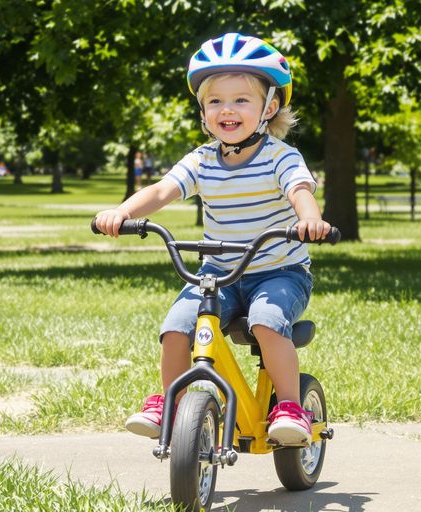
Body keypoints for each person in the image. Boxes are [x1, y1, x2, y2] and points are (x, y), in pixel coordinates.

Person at [94, 33, 332, 445]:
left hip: (280, 271)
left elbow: (299, 192)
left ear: (269, 108)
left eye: (241, 100)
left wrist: (310, 220)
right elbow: (161, 191)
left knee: (267, 322)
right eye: (216, 101)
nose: (228, 109)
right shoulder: (202, 160)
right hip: (217, 273)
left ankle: (290, 405)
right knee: (176, 328)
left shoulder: (281, 157)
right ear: (203, 112)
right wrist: (123, 212)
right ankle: (173, 401)